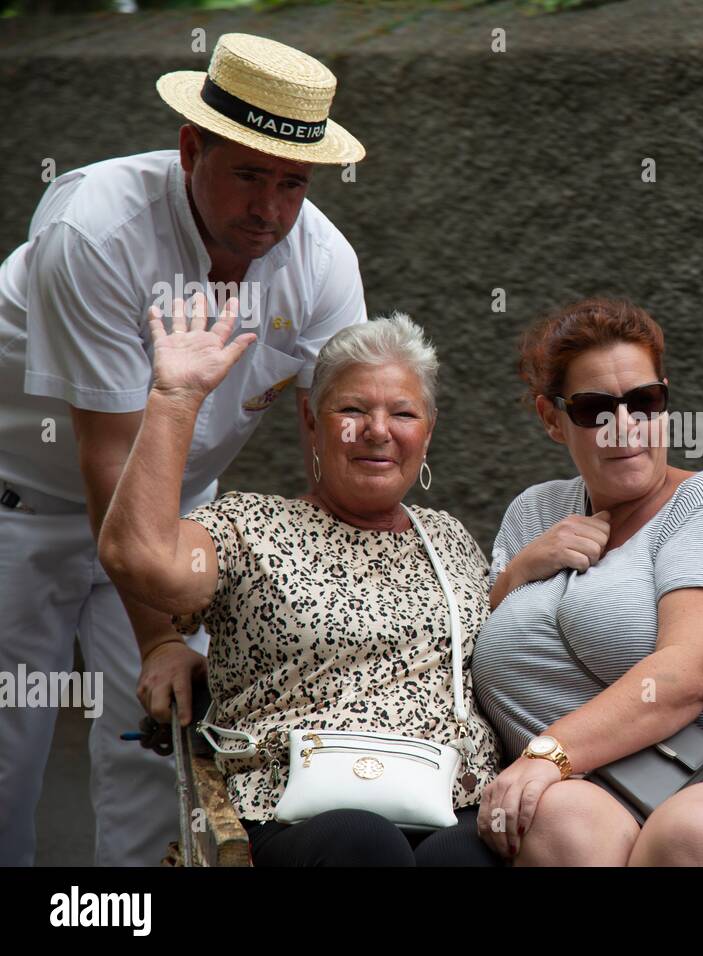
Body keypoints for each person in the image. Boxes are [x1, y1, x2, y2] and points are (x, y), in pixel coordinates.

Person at [0, 33, 368, 865]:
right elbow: (110, 454)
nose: (270, 211)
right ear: (190, 147)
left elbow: (340, 437)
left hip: (176, 510)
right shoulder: (93, 229)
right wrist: (162, 635)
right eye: (247, 174)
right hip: (20, 508)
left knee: (160, 750)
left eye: (292, 184)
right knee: (7, 757)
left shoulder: (324, 261)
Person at [98, 304, 501, 866]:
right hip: (293, 810)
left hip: (445, 800)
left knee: (469, 855)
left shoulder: (449, 538)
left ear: (427, 434)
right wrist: (176, 399)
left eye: (403, 413)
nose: (378, 430)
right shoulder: (250, 527)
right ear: (313, 422)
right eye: (352, 409)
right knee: (364, 843)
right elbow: (138, 556)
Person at [471, 297, 703, 866]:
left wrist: (549, 754)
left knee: (692, 835)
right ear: (552, 418)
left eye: (644, 402)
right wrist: (517, 572)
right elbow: (478, 638)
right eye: (595, 409)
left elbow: (696, 670)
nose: (625, 427)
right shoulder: (532, 514)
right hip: (575, 797)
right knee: (563, 824)